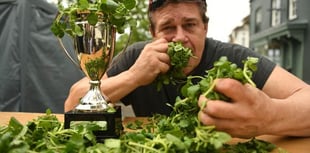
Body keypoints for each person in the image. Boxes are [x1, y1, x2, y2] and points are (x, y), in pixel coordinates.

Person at [64, 0, 310, 138]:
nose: (180, 37)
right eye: (168, 27)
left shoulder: (233, 57)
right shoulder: (137, 57)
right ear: (153, 33)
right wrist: (133, 76)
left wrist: (269, 117)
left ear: (205, 27)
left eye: (190, 25)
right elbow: (72, 103)